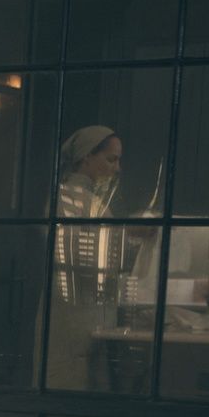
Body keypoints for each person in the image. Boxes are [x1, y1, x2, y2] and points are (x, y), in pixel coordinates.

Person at [48, 125, 150, 390]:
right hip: (73, 314)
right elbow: (86, 251)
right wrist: (127, 233)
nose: (117, 169)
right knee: (71, 386)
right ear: (86, 158)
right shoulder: (69, 199)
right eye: (110, 159)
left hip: (90, 312)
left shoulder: (90, 200)